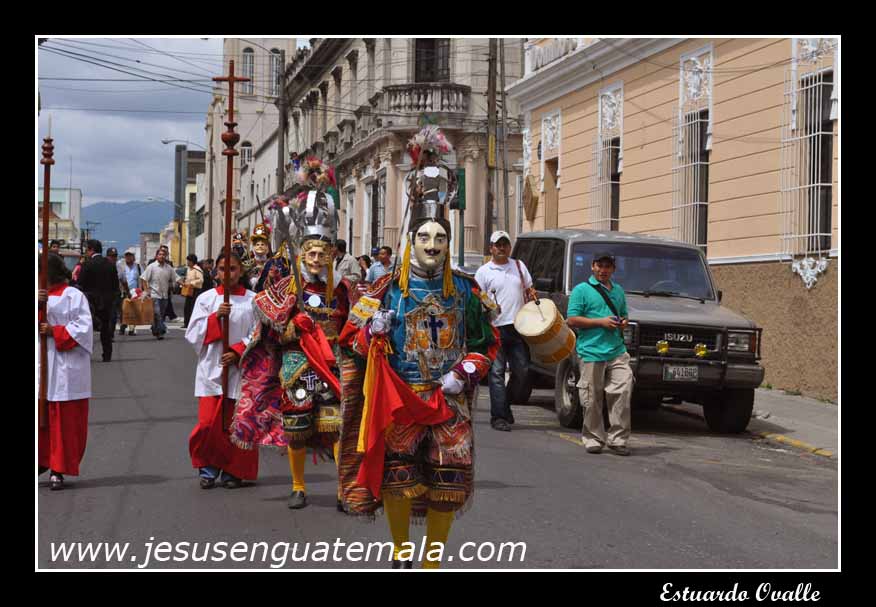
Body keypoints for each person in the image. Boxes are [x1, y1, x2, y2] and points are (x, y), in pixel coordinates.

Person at [337, 126, 499, 568]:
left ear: (449, 243)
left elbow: (487, 343)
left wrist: (465, 371)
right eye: (424, 238)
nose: (432, 246)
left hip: (448, 401)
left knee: (449, 481)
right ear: (411, 241)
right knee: (398, 478)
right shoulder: (385, 288)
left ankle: (432, 561)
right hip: (400, 399)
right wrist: (372, 332)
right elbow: (350, 338)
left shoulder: (466, 290)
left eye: (440, 239)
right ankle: (401, 552)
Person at [231, 157, 352, 511]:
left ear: (331, 254)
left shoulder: (342, 289)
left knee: (335, 427)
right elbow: (266, 319)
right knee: (297, 428)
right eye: (310, 252)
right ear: (302, 253)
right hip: (297, 364)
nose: (315, 259)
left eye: (322, 253)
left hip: (331, 365)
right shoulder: (287, 286)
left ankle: (343, 490)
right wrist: (290, 327)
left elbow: (352, 326)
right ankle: (298, 486)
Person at [185, 251, 259, 489]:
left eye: (233, 269)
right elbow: (193, 333)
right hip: (211, 369)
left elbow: (258, 333)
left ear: (241, 271)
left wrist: (238, 351)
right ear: (215, 271)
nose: (227, 274)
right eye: (222, 269)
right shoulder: (206, 299)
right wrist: (216, 318)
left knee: (235, 424)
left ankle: (232, 470)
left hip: (240, 370)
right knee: (208, 423)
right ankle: (207, 468)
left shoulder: (253, 300)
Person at [566, 251, 633, 456]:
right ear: (593, 266)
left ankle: (618, 439)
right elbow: (572, 319)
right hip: (591, 351)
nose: (603, 270)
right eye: (600, 266)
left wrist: (623, 322)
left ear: (613, 269)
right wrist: (600, 322)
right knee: (592, 397)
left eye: (607, 266)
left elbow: (624, 315)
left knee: (623, 390)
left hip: (617, 350)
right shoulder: (581, 290)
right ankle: (594, 438)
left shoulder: (618, 291)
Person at [38, 254, 93, 491]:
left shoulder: (73, 296)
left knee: (63, 421)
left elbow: (83, 328)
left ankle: (58, 468)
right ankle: (42, 460)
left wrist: (55, 331)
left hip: (65, 366)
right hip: (41, 364)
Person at [475, 230, 535, 432]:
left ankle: (504, 404)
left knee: (523, 371)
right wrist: (489, 307)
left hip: (519, 327)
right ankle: (499, 416)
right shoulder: (484, 272)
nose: (501, 248)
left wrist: (532, 295)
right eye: (498, 245)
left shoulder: (519, 266)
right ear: (491, 248)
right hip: (495, 327)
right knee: (497, 373)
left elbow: (529, 289)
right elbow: (477, 298)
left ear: (509, 247)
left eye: (505, 244)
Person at [77, 239, 118, 362]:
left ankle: (86, 354)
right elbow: (115, 285)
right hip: (107, 301)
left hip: (90, 301)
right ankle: (107, 354)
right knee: (105, 328)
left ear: (91, 250)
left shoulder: (87, 264)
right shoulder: (110, 264)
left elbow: (80, 283)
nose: (86, 252)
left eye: (87, 249)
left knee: (88, 328)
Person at [140, 248, 176, 340]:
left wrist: (181, 284)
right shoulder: (151, 267)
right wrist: (146, 290)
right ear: (156, 256)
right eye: (160, 254)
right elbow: (143, 279)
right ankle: (161, 332)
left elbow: (175, 278)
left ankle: (154, 328)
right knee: (157, 313)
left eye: (163, 255)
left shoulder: (169, 268)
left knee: (161, 315)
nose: (162, 256)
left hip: (165, 295)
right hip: (154, 294)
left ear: (166, 256)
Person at [118, 251, 141, 336]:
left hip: (134, 292)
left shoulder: (137, 266)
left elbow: (141, 279)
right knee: (123, 310)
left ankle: (132, 329)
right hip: (123, 292)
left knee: (133, 311)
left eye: (130, 256)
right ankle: (123, 325)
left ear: (133, 257)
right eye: (126, 256)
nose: (128, 258)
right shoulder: (120, 265)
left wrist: (140, 291)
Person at [181, 254, 205, 329]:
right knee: (187, 307)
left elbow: (201, 280)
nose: (187, 262)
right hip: (189, 289)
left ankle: (193, 324)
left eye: (189, 261)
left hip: (195, 290)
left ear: (192, 261)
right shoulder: (189, 269)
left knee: (193, 307)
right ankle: (186, 323)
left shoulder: (197, 269)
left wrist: (192, 283)